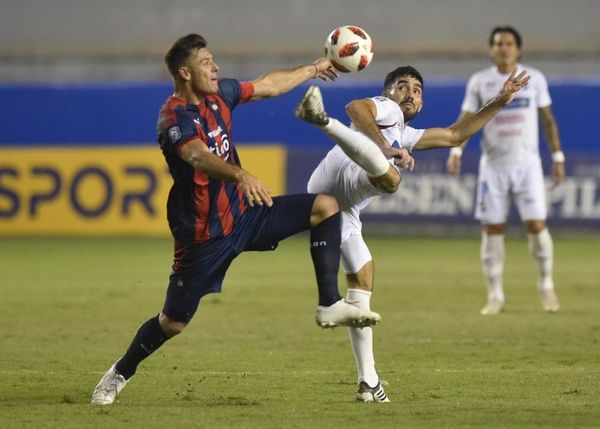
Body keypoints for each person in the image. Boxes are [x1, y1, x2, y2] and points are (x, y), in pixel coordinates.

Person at [91, 33, 382, 406]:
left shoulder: (220, 95)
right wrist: (239, 174)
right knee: (173, 323)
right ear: (184, 73)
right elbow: (196, 156)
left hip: (245, 214)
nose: (216, 67)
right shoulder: (173, 117)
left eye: (213, 60)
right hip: (204, 236)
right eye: (206, 63)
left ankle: (329, 304)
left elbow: (266, 86)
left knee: (326, 207)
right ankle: (121, 371)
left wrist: (313, 68)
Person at [295, 65, 530, 402]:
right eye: (402, 86)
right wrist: (384, 147)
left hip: (338, 205)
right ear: (388, 91)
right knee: (392, 178)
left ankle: (368, 384)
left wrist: (500, 101)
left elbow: (455, 136)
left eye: (417, 90)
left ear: (421, 104)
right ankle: (322, 120)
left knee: (362, 283)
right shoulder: (386, 109)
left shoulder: (405, 135)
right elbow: (355, 108)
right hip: (340, 179)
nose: (410, 93)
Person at [446, 26, 565, 315]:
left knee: (537, 225)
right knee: (492, 229)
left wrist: (557, 155)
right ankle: (495, 295)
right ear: (491, 49)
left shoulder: (534, 78)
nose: (504, 48)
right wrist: (456, 149)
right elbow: (468, 118)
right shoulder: (480, 82)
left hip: (527, 167)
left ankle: (546, 285)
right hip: (494, 168)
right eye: (498, 43)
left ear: (518, 49)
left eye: (509, 43)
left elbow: (547, 119)